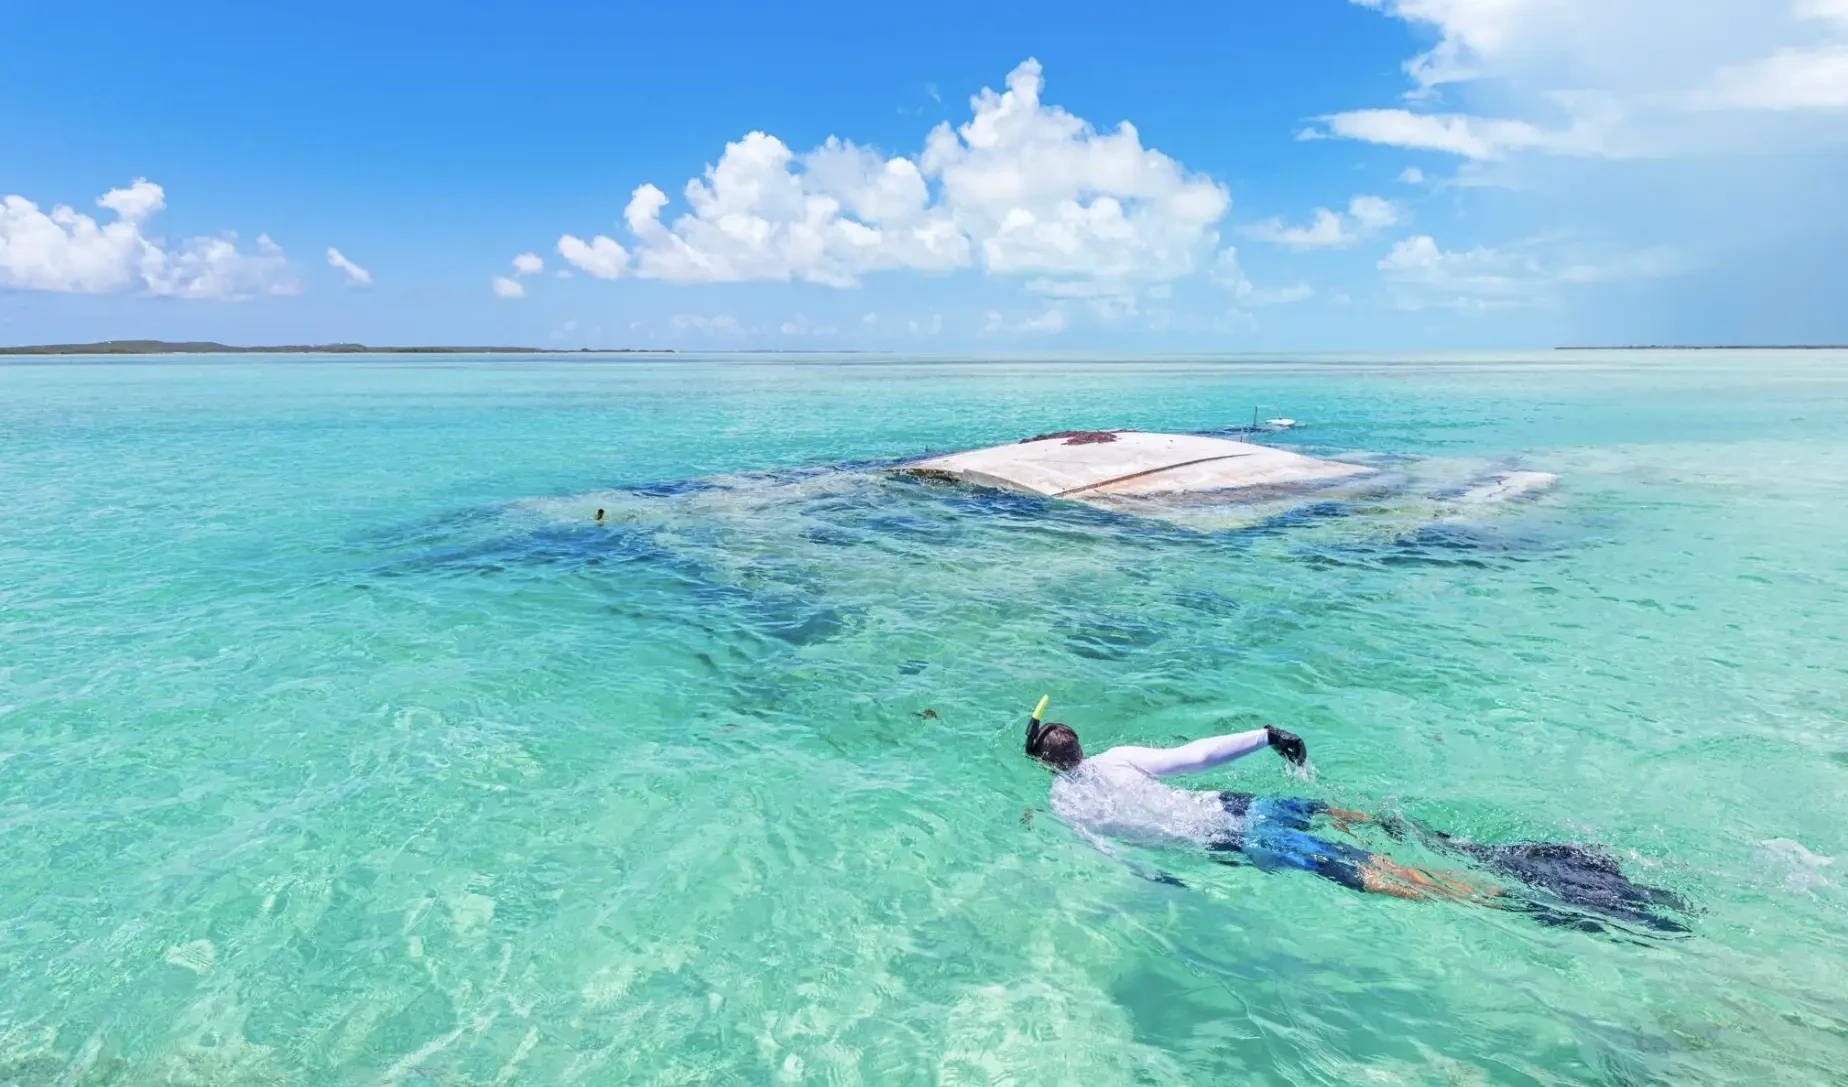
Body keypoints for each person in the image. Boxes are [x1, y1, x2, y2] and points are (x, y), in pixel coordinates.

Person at [1024, 700, 1690, 931]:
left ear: (1047, 763)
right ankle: (1480, 851)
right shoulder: (1122, 756)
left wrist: (1168, 885)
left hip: (1226, 838)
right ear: (1078, 741)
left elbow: (1117, 858)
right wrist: (1265, 733)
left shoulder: (1064, 802)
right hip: (1234, 805)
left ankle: (1511, 902)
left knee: (1370, 872)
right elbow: (1198, 755)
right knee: (1353, 820)